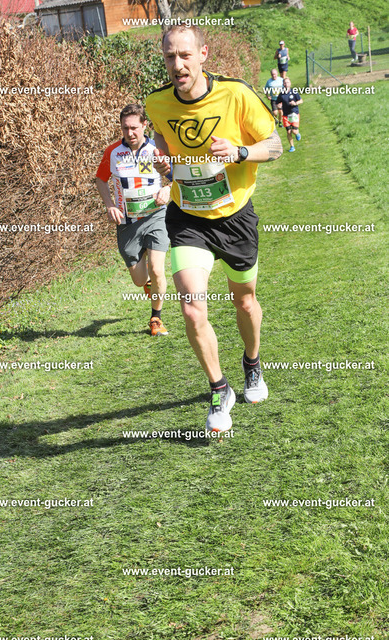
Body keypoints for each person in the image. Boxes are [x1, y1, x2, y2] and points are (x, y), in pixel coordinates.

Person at [145, 24, 283, 432]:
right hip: (188, 217)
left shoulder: (236, 94)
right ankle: (219, 388)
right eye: (170, 56)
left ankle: (252, 363)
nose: (177, 64)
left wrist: (239, 151)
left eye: (185, 55)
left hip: (235, 217)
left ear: (203, 55)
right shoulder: (156, 102)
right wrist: (163, 158)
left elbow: (274, 145)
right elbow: (161, 136)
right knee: (191, 307)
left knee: (245, 301)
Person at [96, 104, 171, 336]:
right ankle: (148, 281)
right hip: (127, 223)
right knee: (139, 280)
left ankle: (156, 319)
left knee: (157, 269)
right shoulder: (113, 152)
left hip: (155, 216)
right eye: (125, 128)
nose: (130, 133)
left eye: (134, 128)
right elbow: (100, 180)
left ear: (144, 125)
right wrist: (110, 205)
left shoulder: (157, 150)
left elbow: (176, 176)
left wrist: (168, 188)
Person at [276, 77, 303, 152]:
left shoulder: (294, 92)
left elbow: (301, 100)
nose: (286, 84)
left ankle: (297, 133)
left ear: (290, 83)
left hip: (294, 114)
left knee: (294, 131)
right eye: (285, 83)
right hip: (285, 115)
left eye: (287, 82)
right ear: (283, 84)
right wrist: (278, 106)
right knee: (288, 131)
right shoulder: (281, 94)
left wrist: (295, 103)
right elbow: (277, 103)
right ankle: (292, 147)